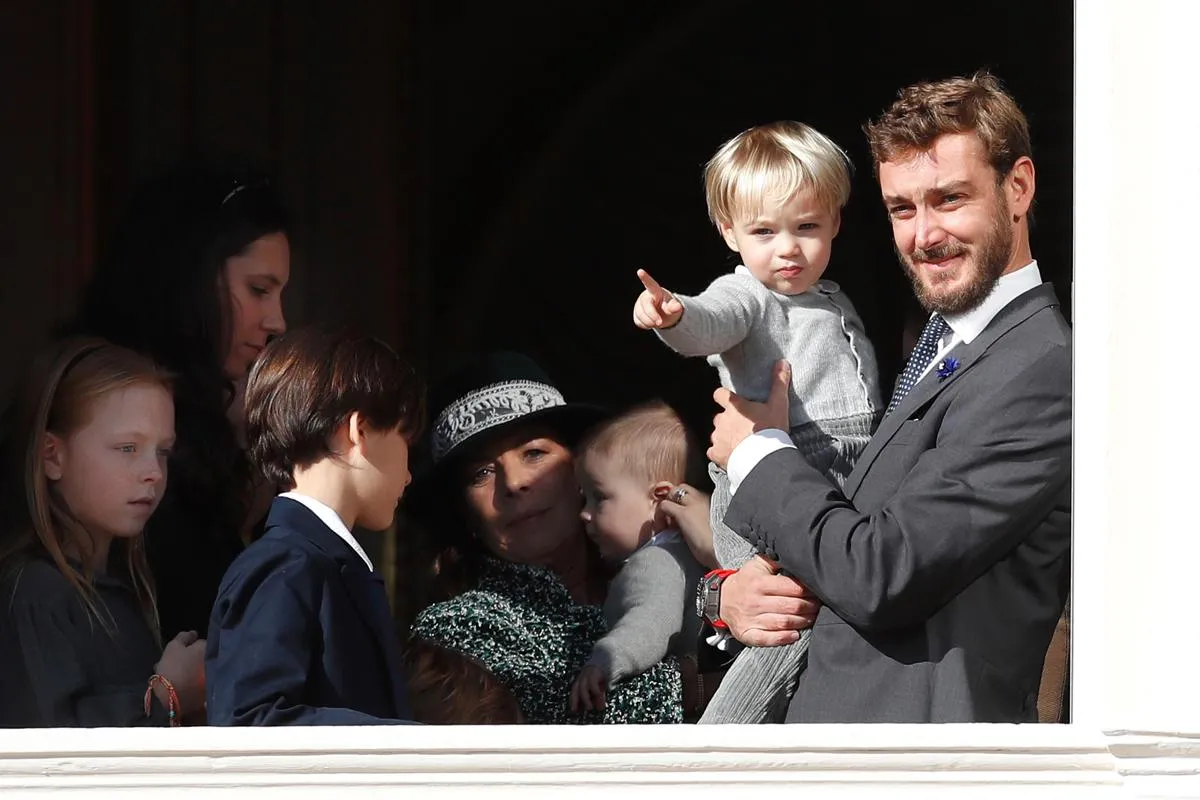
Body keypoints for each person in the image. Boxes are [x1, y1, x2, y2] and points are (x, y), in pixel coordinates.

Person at [705, 71, 1072, 723]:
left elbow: (880, 572)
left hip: (915, 766)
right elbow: (834, 543)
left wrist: (756, 451)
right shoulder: (946, 347)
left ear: (1019, 187)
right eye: (903, 208)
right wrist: (729, 595)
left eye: (950, 199)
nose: (923, 235)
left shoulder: (1037, 370)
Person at [632, 120, 882, 723]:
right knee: (784, 622)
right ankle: (720, 741)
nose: (787, 249)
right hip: (771, 481)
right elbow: (712, 319)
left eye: (807, 228)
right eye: (764, 232)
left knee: (806, 621)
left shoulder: (829, 298)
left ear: (836, 222)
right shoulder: (748, 295)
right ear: (730, 233)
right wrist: (673, 315)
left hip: (832, 477)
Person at [68, 158, 291, 640]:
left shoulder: (220, 421)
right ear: (191, 279)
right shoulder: (94, 402)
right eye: (258, 290)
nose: (277, 321)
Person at [404, 352, 684, 724]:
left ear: (581, 471)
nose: (515, 483)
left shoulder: (666, 569)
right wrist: (696, 682)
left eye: (534, 453)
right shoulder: (451, 628)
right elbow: (566, 726)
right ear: (465, 514)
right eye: (481, 473)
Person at [204, 327, 421, 725]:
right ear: (359, 431)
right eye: (406, 438)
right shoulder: (285, 563)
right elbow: (252, 719)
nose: (409, 474)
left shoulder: (314, 560)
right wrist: (409, 745)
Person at [0, 338, 206, 727]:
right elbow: (53, 750)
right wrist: (169, 693)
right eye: (128, 448)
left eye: (162, 451)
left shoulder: (123, 589)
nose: (154, 472)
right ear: (53, 456)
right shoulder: (32, 595)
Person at [569, 401, 708, 719]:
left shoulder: (658, 562)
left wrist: (605, 661)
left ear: (658, 499)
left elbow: (651, 621)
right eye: (584, 497)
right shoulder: (682, 555)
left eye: (600, 497)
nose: (585, 513)